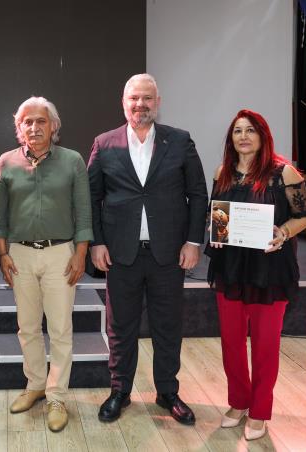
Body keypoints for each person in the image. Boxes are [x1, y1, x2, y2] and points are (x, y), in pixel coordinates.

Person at [88, 73, 208, 425]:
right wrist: (96, 242)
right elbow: (91, 197)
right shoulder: (104, 143)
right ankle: (120, 390)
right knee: (120, 327)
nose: (140, 104)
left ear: (158, 102)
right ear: (124, 103)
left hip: (168, 254)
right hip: (120, 253)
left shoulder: (180, 141)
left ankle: (167, 391)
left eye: (147, 98)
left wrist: (193, 241)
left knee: (168, 325)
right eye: (134, 98)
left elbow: (197, 194)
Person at [205, 109, 306, 440]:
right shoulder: (223, 172)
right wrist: (216, 232)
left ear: (263, 136)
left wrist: (284, 232)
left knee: (265, 345)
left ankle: (260, 411)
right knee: (231, 343)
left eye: (250, 130)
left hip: (270, 269)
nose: (244, 136)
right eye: (238, 131)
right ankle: (238, 402)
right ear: (231, 138)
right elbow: (216, 214)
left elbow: (304, 216)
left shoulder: (284, 173)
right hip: (230, 268)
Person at [0, 96, 92, 432]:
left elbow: (84, 212)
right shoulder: (6, 162)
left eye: (40, 121)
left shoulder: (72, 161)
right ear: (19, 127)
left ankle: (57, 396)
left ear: (54, 126)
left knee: (60, 329)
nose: (34, 127)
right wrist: (3, 254)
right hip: (19, 255)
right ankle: (35, 384)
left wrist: (80, 253)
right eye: (27, 122)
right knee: (28, 327)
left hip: (60, 255)